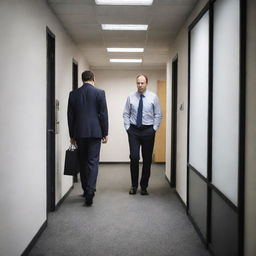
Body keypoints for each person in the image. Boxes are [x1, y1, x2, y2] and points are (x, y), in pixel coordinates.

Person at [68, 70, 108, 206]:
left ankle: (85, 190)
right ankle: (91, 191)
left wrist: (72, 135)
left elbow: (70, 117)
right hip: (95, 133)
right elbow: (103, 114)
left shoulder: (73, 94)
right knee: (93, 162)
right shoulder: (100, 93)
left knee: (83, 162)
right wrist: (105, 132)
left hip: (79, 133)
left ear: (82, 79)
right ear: (93, 79)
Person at [123, 74, 162, 195]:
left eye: (142, 83)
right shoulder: (131, 97)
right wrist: (128, 128)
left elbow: (158, 114)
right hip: (134, 131)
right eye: (138, 83)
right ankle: (134, 186)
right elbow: (126, 113)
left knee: (147, 159)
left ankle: (144, 186)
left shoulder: (153, 97)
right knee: (134, 157)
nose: (140, 85)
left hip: (148, 131)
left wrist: (154, 129)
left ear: (146, 83)